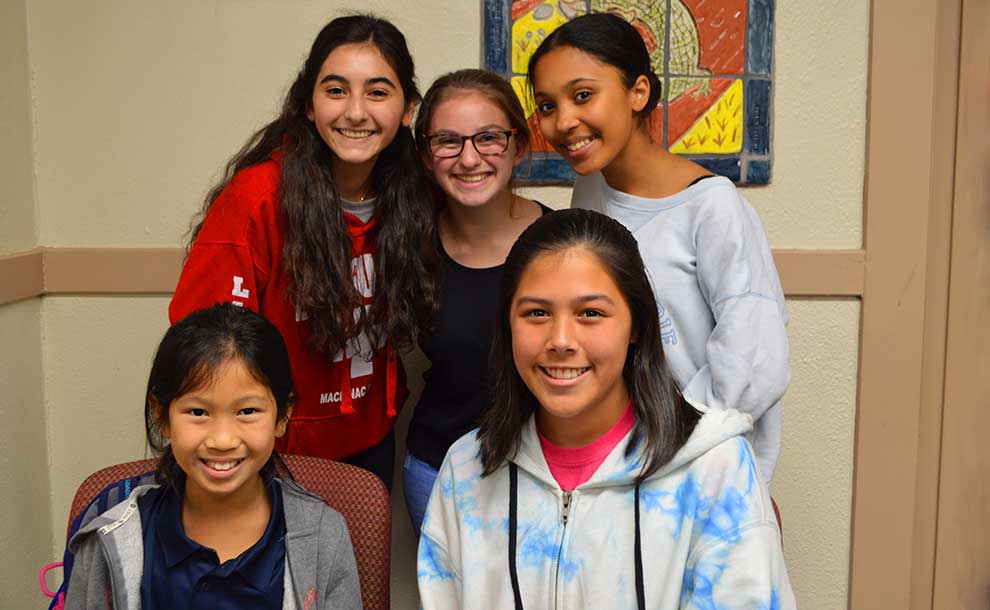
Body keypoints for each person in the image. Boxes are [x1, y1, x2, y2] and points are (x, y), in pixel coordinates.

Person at [417, 209, 795, 610]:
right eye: (536, 313)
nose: (560, 340)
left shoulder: (717, 468)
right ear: (507, 325)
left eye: (590, 313)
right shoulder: (466, 471)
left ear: (635, 325)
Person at [169, 15, 439, 490]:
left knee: (355, 566)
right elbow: (204, 342)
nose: (356, 112)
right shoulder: (259, 198)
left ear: (408, 108)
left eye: (377, 92)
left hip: (368, 442)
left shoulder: (415, 196)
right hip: (271, 453)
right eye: (336, 91)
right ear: (309, 106)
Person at [528, 12, 790, 482]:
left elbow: (754, 365)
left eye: (582, 95)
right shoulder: (590, 192)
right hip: (620, 466)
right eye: (547, 106)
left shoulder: (713, 209)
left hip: (701, 470)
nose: (564, 121)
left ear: (638, 92)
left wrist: (665, 447)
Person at [66, 304, 361, 610]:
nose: (222, 440)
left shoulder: (323, 537)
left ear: (283, 414)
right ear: (162, 414)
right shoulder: (111, 534)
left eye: (247, 411)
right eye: (198, 412)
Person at [403, 69, 549, 532]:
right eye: (448, 141)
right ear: (427, 156)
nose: (469, 158)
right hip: (437, 470)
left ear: (518, 145)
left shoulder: (563, 243)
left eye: (488, 138)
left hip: (546, 476)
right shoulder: (407, 246)